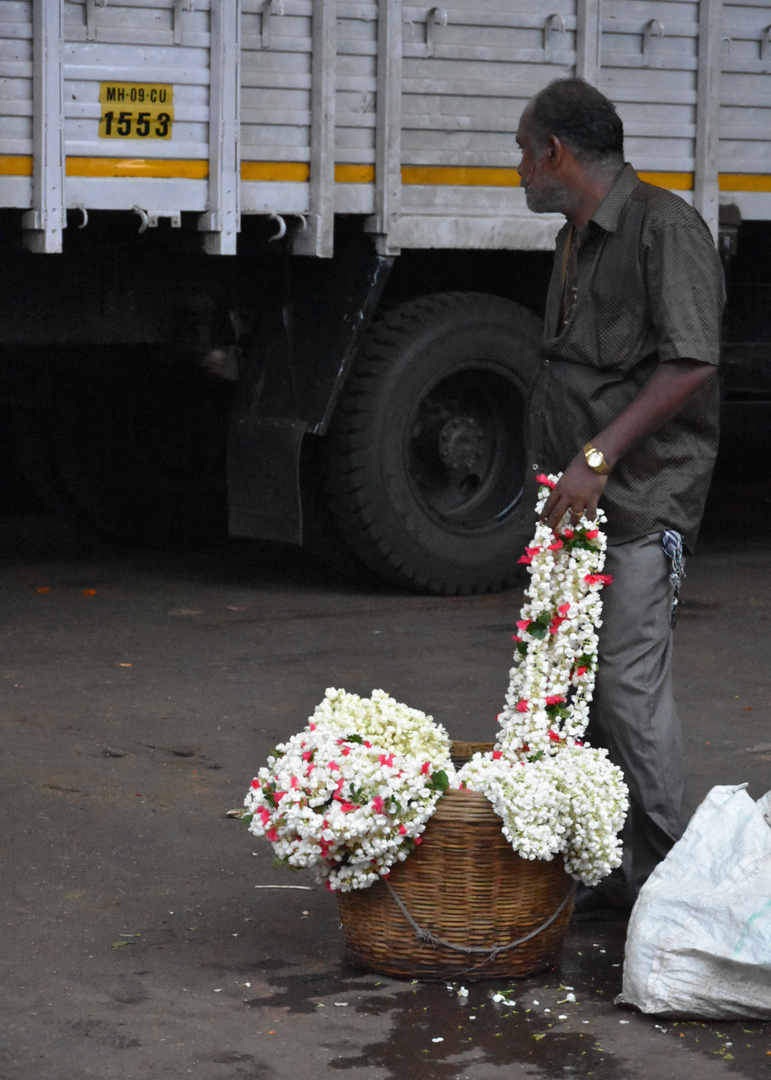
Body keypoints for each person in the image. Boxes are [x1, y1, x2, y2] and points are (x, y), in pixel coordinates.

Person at [515, 78, 725, 919]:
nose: (518, 171)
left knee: (626, 689)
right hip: (577, 499)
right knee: (572, 685)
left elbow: (692, 361)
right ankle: (607, 870)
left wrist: (597, 454)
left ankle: (669, 888)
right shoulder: (576, 235)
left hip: (639, 500)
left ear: (556, 154)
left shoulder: (663, 228)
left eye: (522, 153)